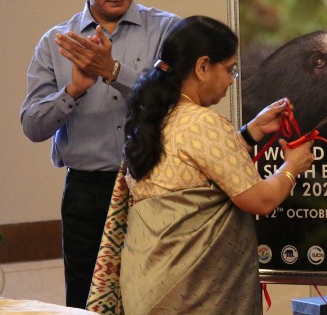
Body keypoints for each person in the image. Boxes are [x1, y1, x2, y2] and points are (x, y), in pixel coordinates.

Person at [20, 0, 181, 308]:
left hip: (153, 187)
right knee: (84, 300)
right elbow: (32, 126)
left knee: (157, 299)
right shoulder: (56, 43)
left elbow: (178, 103)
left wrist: (113, 71)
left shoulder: (168, 30)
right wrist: (74, 90)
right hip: (86, 193)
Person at [120, 16, 314, 314]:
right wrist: (291, 167)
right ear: (202, 67)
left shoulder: (155, 117)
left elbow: (197, 169)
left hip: (148, 286)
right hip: (189, 295)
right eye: (229, 69)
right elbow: (260, 200)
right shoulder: (204, 123)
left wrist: (250, 133)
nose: (230, 80)